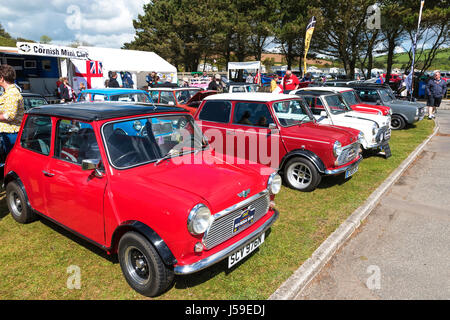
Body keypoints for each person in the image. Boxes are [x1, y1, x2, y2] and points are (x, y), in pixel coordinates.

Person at [0, 64, 25, 161]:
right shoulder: (7, 93)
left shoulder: (12, 93)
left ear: (2, 78)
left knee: (12, 161)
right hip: (7, 133)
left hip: (11, 134)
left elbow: (9, 116)